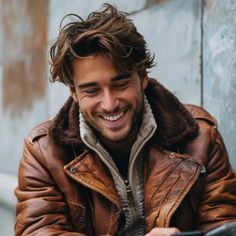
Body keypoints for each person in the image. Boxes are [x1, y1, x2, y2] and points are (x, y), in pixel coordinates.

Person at [15, 3, 236, 236]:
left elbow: (224, 227)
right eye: (91, 91)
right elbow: (38, 231)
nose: (110, 104)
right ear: (74, 93)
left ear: (142, 77)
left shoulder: (200, 135)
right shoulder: (43, 151)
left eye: (120, 84)